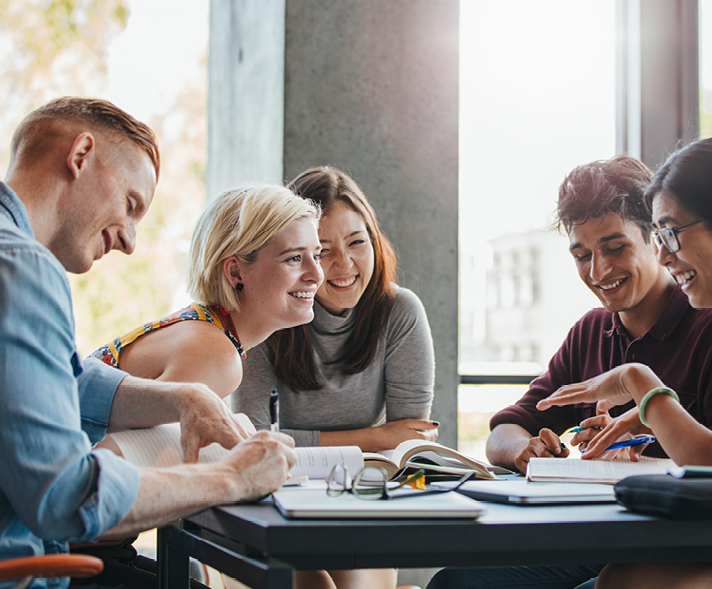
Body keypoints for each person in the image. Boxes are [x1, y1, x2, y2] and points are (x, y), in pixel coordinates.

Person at [0, 97, 297, 589]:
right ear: (81, 156)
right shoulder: (24, 269)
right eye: (130, 205)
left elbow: (62, 378)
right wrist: (232, 477)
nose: (130, 241)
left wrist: (182, 397)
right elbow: (66, 498)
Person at [427, 154, 712, 589]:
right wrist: (526, 452)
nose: (598, 271)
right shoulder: (591, 331)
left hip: (683, 550)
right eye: (582, 255)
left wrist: (646, 449)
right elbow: (506, 428)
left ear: (656, 240)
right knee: (456, 584)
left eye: (615, 248)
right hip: (598, 542)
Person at [537, 136, 712, 589]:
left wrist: (640, 384)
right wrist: (650, 421)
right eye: (658, 236)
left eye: (671, 232)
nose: (664, 254)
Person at [234, 165, 438, 589]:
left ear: (375, 241)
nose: (343, 264)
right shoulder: (266, 314)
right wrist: (376, 436)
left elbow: (407, 447)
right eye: (321, 249)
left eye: (357, 242)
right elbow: (252, 442)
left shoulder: (400, 312)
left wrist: (385, 441)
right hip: (278, 500)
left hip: (363, 497)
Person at [91, 183, 323, 398]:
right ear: (235, 272)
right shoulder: (215, 357)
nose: (317, 274)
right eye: (294, 258)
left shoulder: (206, 329)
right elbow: (115, 443)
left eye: (317, 256)